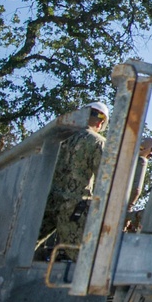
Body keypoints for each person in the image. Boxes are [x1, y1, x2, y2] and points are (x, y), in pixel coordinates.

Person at [37, 101, 109, 254]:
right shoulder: (97, 142)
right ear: (101, 122)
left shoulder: (59, 137)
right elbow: (106, 181)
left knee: (25, 245)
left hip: (48, 202)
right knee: (81, 256)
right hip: (74, 208)